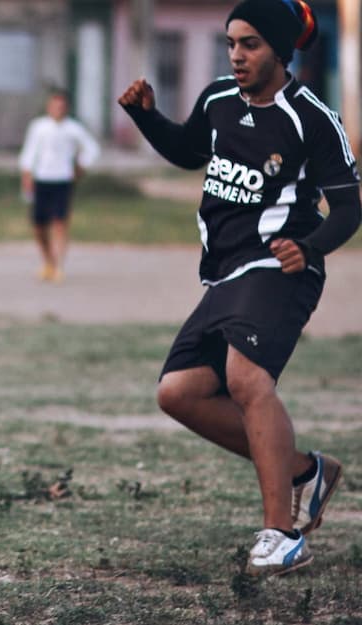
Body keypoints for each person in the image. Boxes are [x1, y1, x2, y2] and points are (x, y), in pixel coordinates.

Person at [119, 0, 358, 576]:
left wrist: (311, 247)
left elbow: (349, 207)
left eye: (250, 44)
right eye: (231, 43)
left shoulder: (311, 117)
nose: (236, 55)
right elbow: (189, 151)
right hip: (225, 271)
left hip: (280, 267)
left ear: (279, 50)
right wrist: (148, 118)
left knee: (247, 379)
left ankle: (283, 534)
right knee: (178, 393)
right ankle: (304, 472)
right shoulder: (218, 99)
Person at [18, 89, 100, 282]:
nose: (58, 109)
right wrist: (27, 174)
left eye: (61, 106)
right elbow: (29, 152)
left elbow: (92, 149)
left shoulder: (73, 129)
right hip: (42, 179)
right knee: (39, 226)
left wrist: (81, 167)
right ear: (49, 107)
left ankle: (59, 266)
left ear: (66, 108)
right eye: (55, 106)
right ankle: (48, 260)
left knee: (59, 223)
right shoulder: (38, 127)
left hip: (62, 180)